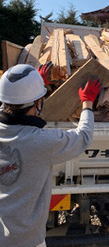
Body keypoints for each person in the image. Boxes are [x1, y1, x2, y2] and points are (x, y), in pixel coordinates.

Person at [0, 63, 102, 247]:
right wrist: (87, 102)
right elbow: (83, 136)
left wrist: (35, 87)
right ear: (38, 103)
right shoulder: (41, 142)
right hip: (27, 241)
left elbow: (14, 111)